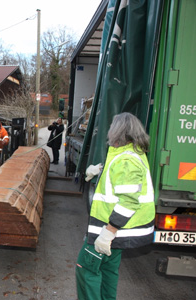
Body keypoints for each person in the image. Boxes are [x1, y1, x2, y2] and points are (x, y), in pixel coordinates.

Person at [76, 112, 156, 300]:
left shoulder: (126, 160)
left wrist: (108, 232)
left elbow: (129, 200)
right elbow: (120, 178)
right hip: (119, 232)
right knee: (108, 271)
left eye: (112, 127)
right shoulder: (131, 154)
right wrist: (100, 169)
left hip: (112, 230)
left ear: (119, 131)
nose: (109, 131)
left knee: (86, 268)